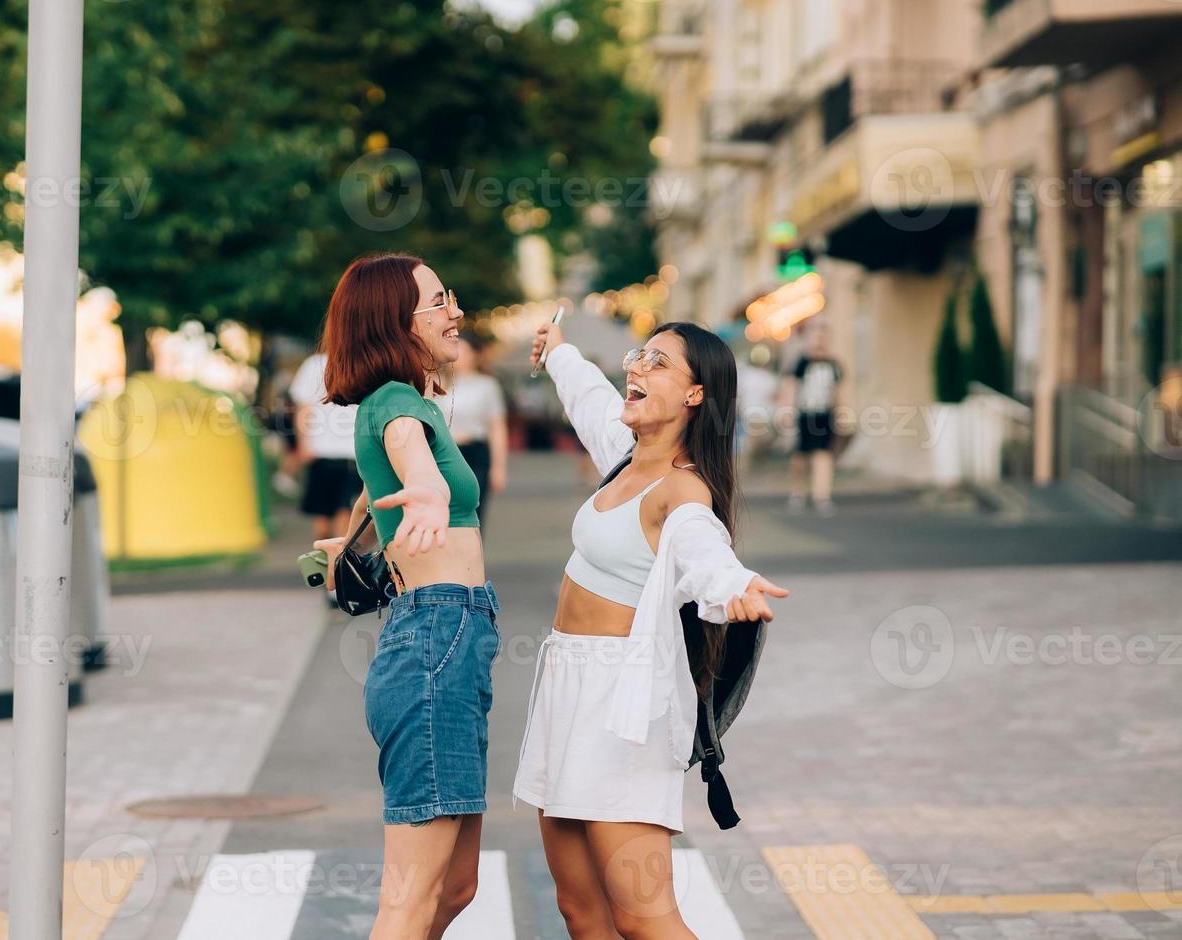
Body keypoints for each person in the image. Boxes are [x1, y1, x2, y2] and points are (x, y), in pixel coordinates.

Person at [515, 317, 788, 940]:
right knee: (581, 913)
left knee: (646, 920)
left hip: (624, 709)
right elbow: (589, 398)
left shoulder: (681, 490)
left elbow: (703, 550)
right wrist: (558, 353)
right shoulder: (623, 460)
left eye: (658, 363)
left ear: (696, 394)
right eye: (639, 357)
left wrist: (732, 587)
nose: (636, 368)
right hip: (565, 688)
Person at [314, 253, 498, 940]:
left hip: (451, 639)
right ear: (396, 323)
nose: (454, 311)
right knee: (410, 899)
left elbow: (374, 485)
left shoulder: (407, 404)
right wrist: (428, 489)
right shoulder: (395, 405)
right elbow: (410, 461)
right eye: (436, 302)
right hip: (434, 641)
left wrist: (355, 542)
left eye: (450, 295)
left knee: (453, 887)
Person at [432, 334, 508, 528]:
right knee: (442, 512)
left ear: (475, 355)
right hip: (444, 453)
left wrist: (499, 467)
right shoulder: (436, 383)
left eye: (464, 351)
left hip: (475, 452)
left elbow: (497, 427)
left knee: (473, 513)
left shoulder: (487, 385)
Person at [290, 350, 361, 545]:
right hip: (322, 452)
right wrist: (304, 443)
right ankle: (329, 566)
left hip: (351, 453)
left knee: (344, 518)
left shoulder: (360, 360)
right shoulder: (315, 365)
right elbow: (304, 408)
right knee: (324, 524)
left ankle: (336, 570)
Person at [781, 322, 843, 514]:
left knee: (823, 455)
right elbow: (791, 386)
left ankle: (821, 495)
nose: (819, 340)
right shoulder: (802, 362)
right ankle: (798, 491)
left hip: (824, 415)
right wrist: (787, 410)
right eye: (816, 336)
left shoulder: (833, 364)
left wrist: (841, 411)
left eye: (823, 336)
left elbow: (837, 390)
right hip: (804, 414)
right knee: (800, 457)